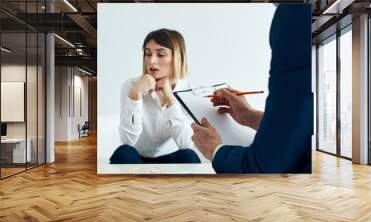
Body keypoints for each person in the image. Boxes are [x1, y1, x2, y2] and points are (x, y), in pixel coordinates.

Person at [191, 4, 313, 173]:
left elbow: (265, 165)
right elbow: (303, 129)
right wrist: (248, 116)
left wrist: (214, 150)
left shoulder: (292, 15)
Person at [110, 28, 201, 164]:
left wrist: (171, 102)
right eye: (147, 54)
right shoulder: (131, 86)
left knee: (189, 156)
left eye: (160, 54)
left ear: (176, 57)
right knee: (123, 153)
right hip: (137, 157)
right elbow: (128, 141)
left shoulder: (187, 90)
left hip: (170, 157)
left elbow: (186, 143)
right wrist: (135, 96)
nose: (151, 61)